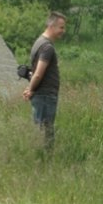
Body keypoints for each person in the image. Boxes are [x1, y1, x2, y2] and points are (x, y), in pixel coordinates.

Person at [22, 11, 67, 148]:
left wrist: (30, 88)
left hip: (40, 95)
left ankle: (39, 155)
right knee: (46, 133)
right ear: (51, 26)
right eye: (61, 27)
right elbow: (38, 74)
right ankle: (44, 157)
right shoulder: (47, 47)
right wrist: (30, 89)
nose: (63, 31)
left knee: (39, 130)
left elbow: (34, 71)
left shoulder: (38, 43)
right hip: (45, 96)